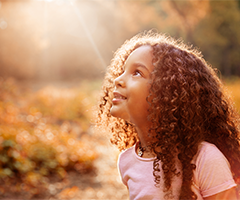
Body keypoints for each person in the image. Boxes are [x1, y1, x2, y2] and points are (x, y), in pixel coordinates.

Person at [97, 31, 240, 200]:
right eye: (122, 71)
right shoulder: (127, 160)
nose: (118, 80)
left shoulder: (205, 159)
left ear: (167, 95)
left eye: (137, 73)